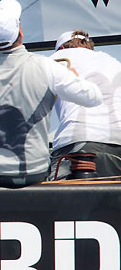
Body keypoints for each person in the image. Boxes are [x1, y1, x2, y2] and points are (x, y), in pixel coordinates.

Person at [0, 0, 102, 188]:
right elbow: (93, 97)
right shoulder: (46, 67)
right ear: (20, 32)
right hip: (30, 176)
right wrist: (73, 77)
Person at [48, 30, 121, 180]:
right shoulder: (113, 61)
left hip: (80, 141)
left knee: (61, 200)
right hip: (118, 141)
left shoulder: (58, 59)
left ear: (61, 48)